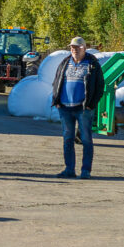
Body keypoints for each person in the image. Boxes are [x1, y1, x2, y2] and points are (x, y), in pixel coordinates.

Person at [51, 37, 105, 179]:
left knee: (86, 139)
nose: (74, 49)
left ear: (84, 48)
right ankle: (69, 169)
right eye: (72, 47)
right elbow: (56, 81)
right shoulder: (65, 62)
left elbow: (100, 86)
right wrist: (56, 100)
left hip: (83, 109)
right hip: (65, 107)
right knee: (67, 138)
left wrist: (90, 104)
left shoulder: (92, 64)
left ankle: (85, 170)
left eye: (77, 47)